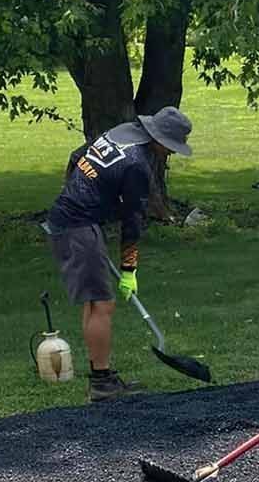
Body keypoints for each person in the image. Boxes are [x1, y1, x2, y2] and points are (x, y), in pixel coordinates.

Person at [45, 107, 193, 402]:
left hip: (72, 219)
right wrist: (129, 270)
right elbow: (132, 221)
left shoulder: (120, 132)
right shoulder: (137, 165)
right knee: (103, 304)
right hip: (77, 227)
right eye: (170, 146)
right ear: (158, 138)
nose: (171, 153)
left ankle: (101, 376)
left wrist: (76, 190)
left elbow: (77, 156)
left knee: (94, 302)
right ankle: (102, 382)